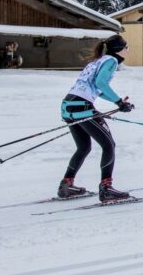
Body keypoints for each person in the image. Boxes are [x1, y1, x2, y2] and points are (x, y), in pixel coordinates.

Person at [58, 34, 135, 201]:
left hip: (68, 105)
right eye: (126, 47)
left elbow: (97, 89)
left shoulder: (97, 61)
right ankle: (106, 188)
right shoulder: (111, 61)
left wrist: (119, 102)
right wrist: (119, 102)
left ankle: (66, 185)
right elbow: (101, 83)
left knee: (83, 147)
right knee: (109, 145)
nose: (128, 50)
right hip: (82, 107)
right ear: (119, 50)